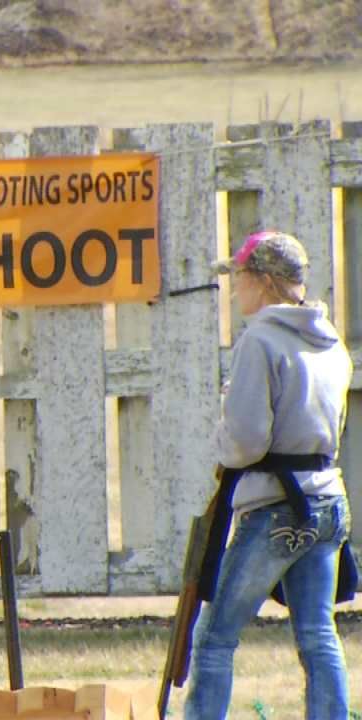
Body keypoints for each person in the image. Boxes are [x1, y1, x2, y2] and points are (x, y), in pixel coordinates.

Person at [186, 231, 353, 718]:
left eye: (239, 278)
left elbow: (246, 441)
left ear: (262, 280)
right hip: (326, 499)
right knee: (319, 635)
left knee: (215, 636)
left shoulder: (259, 339)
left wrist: (219, 440)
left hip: (276, 507)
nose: (235, 290)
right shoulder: (332, 343)